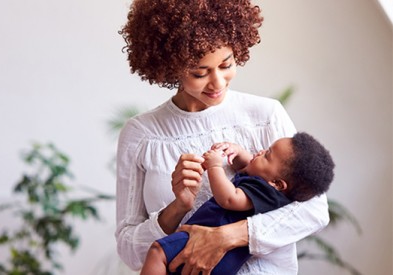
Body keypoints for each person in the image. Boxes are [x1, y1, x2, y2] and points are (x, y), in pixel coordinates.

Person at [115, 0, 330, 274]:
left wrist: (228, 237)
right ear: (170, 67)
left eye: (226, 65)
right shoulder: (141, 135)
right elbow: (129, 250)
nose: (217, 83)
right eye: (199, 72)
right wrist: (178, 206)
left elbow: (313, 211)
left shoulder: (265, 115)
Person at [139, 133, 335, 275]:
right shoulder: (271, 190)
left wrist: (215, 165)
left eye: (267, 155)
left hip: (208, 246)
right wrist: (238, 152)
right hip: (223, 261)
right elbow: (249, 165)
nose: (259, 152)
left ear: (276, 184)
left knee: (158, 252)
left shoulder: (263, 191)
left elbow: (230, 198)